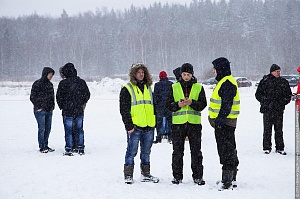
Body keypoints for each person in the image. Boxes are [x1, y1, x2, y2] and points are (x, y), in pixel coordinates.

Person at [166, 63, 207, 185]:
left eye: (188, 74)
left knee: (196, 152)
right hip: (178, 124)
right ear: (181, 74)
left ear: (192, 75)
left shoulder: (199, 87)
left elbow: (203, 104)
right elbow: (168, 105)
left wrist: (192, 103)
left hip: (194, 124)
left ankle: (198, 176)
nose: (186, 77)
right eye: (184, 74)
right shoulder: (174, 87)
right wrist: (178, 105)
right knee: (177, 151)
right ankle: (177, 176)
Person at [119, 63, 159, 184]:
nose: (141, 74)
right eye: (138, 72)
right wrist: (129, 126)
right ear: (133, 74)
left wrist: (155, 121)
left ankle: (146, 174)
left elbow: (154, 106)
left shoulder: (148, 88)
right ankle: (128, 174)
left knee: (146, 152)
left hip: (149, 126)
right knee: (131, 151)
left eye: (143, 72)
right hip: (135, 127)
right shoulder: (127, 89)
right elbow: (124, 109)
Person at [208, 57, 240, 189]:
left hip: (225, 123)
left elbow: (226, 104)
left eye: (215, 68)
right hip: (225, 122)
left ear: (220, 69)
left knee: (225, 150)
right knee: (230, 148)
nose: (213, 71)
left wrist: (220, 120)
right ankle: (231, 177)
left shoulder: (226, 82)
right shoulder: (224, 81)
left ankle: (227, 180)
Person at [255, 64, 292, 155]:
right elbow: (258, 94)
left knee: (279, 129)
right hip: (267, 109)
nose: (278, 73)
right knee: (267, 129)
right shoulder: (265, 81)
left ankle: (280, 147)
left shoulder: (283, 82)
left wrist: (282, 102)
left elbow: (288, 95)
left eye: (279, 71)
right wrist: (265, 102)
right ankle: (267, 147)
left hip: (279, 110)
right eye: (276, 71)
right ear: (272, 72)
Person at [56, 63, 90, 156]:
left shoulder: (63, 83)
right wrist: (81, 103)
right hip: (79, 110)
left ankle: (69, 148)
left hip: (67, 111)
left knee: (68, 130)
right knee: (79, 130)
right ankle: (80, 148)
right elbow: (87, 94)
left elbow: (58, 97)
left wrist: (62, 106)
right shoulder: (81, 82)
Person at [30, 67, 55, 153]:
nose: (51, 76)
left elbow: (52, 97)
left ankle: (45, 144)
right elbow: (32, 96)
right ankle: (42, 146)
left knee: (48, 128)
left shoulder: (50, 85)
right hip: (40, 110)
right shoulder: (37, 84)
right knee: (42, 128)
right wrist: (38, 106)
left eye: (52, 74)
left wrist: (52, 106)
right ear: (45, 73)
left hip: (49, 110)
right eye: (50, 74)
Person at [153, 71, 173, 143]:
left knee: (159, 123)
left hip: (160, 107)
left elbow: (155, 97)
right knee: (170, 122)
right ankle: (170, 137)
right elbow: (173, 96)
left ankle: (159, 138)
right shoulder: (171, 84)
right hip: (169, 106)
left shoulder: (157, 85)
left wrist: (157, 105)